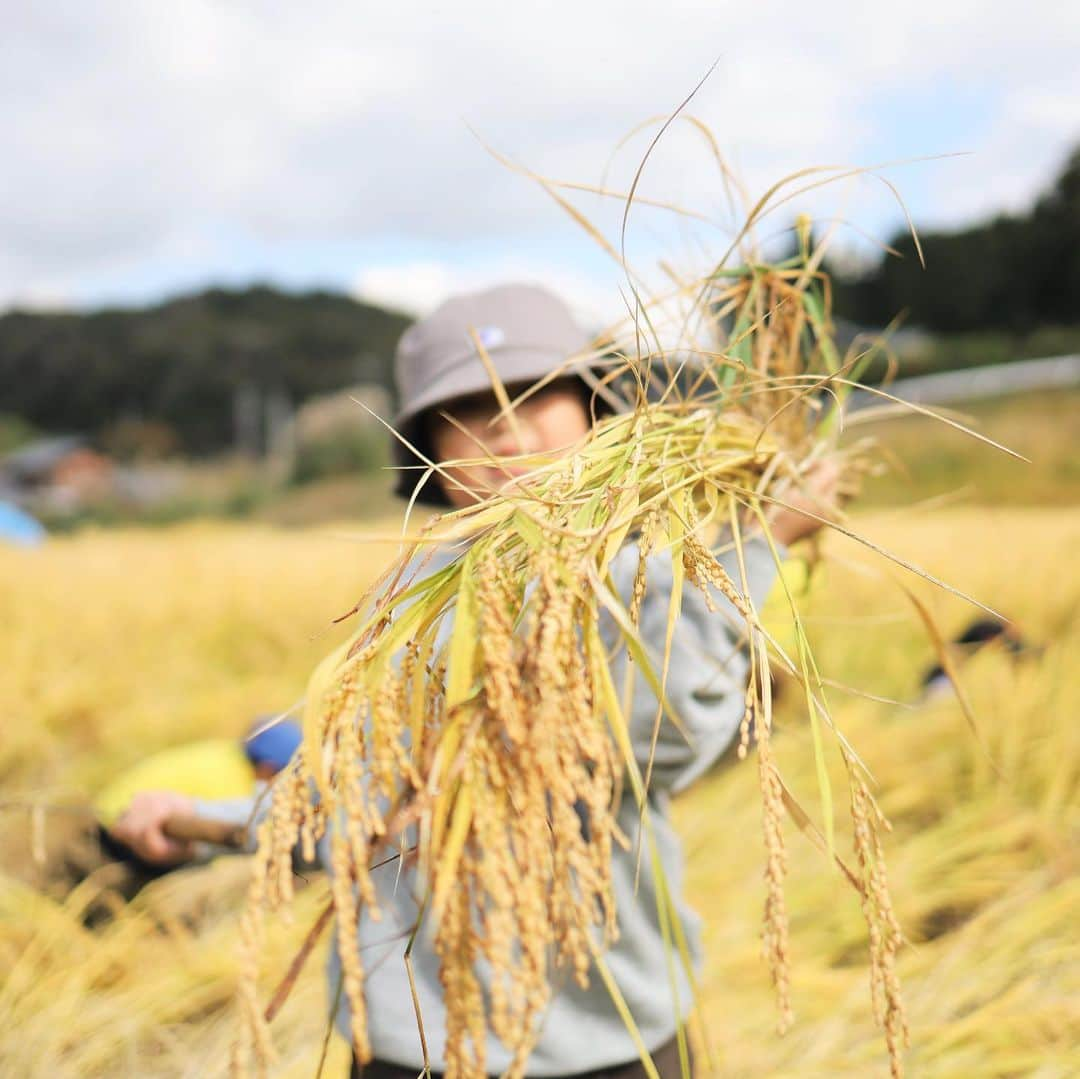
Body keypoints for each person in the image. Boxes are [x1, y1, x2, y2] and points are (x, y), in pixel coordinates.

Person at [115, 284, 838, 1078]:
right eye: (465, 407)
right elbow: (358, 806)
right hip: (417, 1041)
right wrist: (205, 817)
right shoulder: (408, 608)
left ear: (594, 412)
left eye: (535, 393)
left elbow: (651, 742)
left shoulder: (637, 580)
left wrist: (755, 545)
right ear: (427, 448)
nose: (505, 423)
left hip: (615, 1034)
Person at [31, 718, 302, 911]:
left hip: (110, 814)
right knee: (93, 900)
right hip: (127, 832)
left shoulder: (220, 754)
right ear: (268, 768)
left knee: (67, 893)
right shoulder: (234, 786)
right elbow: (224, 834)